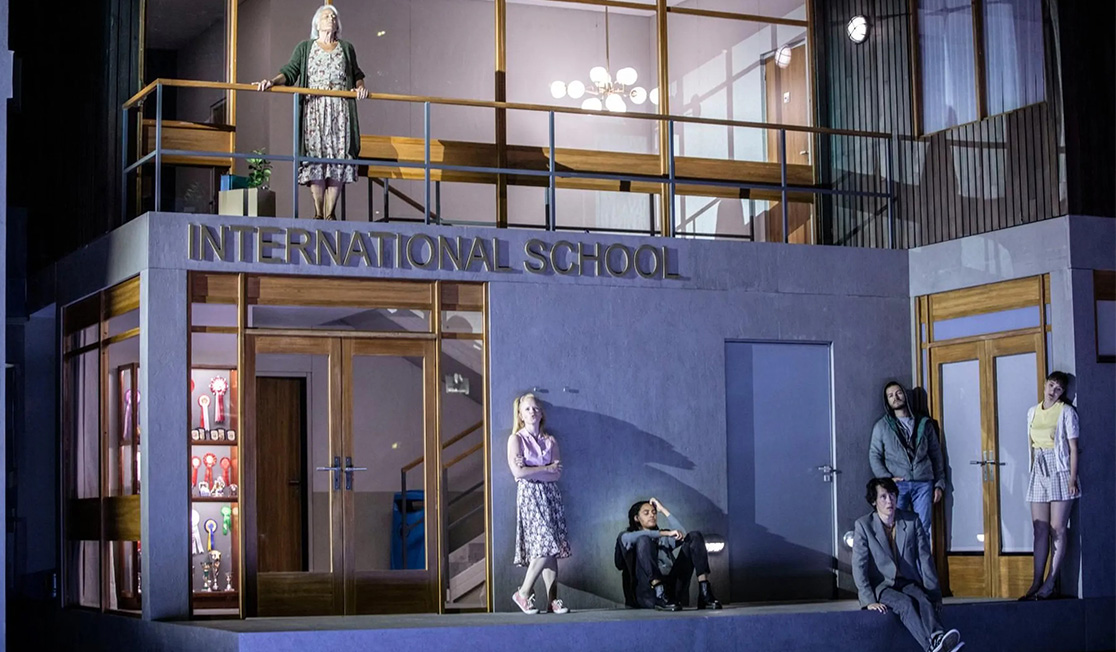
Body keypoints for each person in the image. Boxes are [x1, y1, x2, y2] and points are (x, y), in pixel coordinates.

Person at [255, 5, 368, 220]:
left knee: (338, 158)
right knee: (315, 158)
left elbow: (356, 73)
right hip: (314, 111)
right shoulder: (305, 47)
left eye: (333, 16)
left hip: (340, 111)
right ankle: (318, 212)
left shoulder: (346, 48)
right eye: (326, 15)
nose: (330, 18)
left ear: (337, 24)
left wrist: (360, 87)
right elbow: (290, 72)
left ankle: (330, 213)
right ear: (316, 23)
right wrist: (271, 81)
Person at [854, 478, 963, 652]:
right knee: (905, 604)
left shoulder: (911, 521)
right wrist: (868, 600)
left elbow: (925, 559)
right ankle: (931, 648)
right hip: (882, 585)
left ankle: (938, 637)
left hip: (907, 581)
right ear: (874, 501)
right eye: (883, 497)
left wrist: (934, 594)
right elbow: (859, 566)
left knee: (923, 599)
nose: (889, 500)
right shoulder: (864, 526)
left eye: (892, 495)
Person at [507, 393, 571, 614]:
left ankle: (552, 600)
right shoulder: (516, 439)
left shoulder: (550, 440)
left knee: (551, 550)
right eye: (527, 409)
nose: (532, 412)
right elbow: (518, 473)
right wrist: (545, 468)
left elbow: (557, 475)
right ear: (520, 415)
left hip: (550, 495)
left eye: (535, 408)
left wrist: (532, 469)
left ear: (542, 413)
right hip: (530, 496)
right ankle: (523, 592)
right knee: (545, 543)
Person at [1021, 371, 1080, 601]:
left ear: (1063, 393)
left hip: (1060, 469)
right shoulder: (1032, 412)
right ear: (1045, 384)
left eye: (1058, 389)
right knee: (1040, 528)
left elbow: (1073, 448)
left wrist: (1072, 479)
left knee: (1058, 528)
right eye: (1051, 386)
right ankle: (1036, 580)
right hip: (1039, 467)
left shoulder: (1066, 412)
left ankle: (1050, 581)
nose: (1053, 392)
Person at [614, 497, 722, 611]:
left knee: (694, 536)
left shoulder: (664, 538)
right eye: (646, 513)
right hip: (648, 593)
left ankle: (704, 592)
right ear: (636, 518)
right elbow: (635, 541)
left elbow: (683, 535)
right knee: (643, 540)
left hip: (672, 589)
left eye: (654, 513)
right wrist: (667, 533)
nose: (652, 515)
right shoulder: (626, 537)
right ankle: (659, 593)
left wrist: (663, 509)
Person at [869, 381, 945, 536]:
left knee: (923, 529)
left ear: (905, 395)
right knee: (897, 528)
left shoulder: (924, 423)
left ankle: (921, 561)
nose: (895, 398)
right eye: (890, 396)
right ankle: (901, 561)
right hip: (897, 486)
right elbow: (874, 454)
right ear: (887, 402)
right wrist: (887, 479)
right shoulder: (882, 426)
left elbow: (936, 454)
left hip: (924, 483)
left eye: (898, 393)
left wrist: (939, 483)